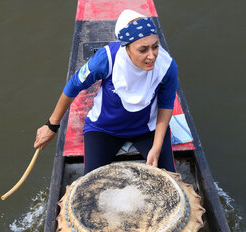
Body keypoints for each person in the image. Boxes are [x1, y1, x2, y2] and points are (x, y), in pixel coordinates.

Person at [34, 9, 179, 174]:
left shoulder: (167, 67)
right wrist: (52, 125)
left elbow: (166, 104)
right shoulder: (106, 59)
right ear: (126, 48)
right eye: (143, 50)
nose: (152, 56)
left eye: (155, 47)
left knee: (168, 180)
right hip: (104, 129)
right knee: (91, 185)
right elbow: (74, 85)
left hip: (147, 129)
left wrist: (157, 147)